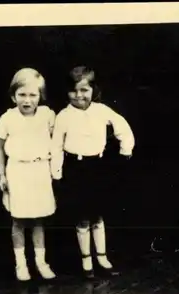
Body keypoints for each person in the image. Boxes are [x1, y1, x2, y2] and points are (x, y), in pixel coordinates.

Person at [51, 66, 135, 278]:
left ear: (93, 90)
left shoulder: (102, 110)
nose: (79, 95)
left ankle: (102, 257)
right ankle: (86, 261)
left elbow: (122, 128)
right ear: (67, 92)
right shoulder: (63, 116)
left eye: (84, 90)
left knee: (98, 215)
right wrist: (57, 173)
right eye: (74, 91)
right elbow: (56, 146)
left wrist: (126, 149)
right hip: (75, 169)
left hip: (97, 168)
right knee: (81, 217)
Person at [0, 68, 57, 281]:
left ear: (41, 96)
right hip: (17, 172)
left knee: (39, 220)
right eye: (22, 95)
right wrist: (2, 175)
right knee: (18, 220)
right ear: (14, 96)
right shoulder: (8, 118)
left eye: (33, 95)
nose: (27, 100)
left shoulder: (48, 115)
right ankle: (21, 264)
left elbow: (57, 141)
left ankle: (41, 262)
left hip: (40, 172)